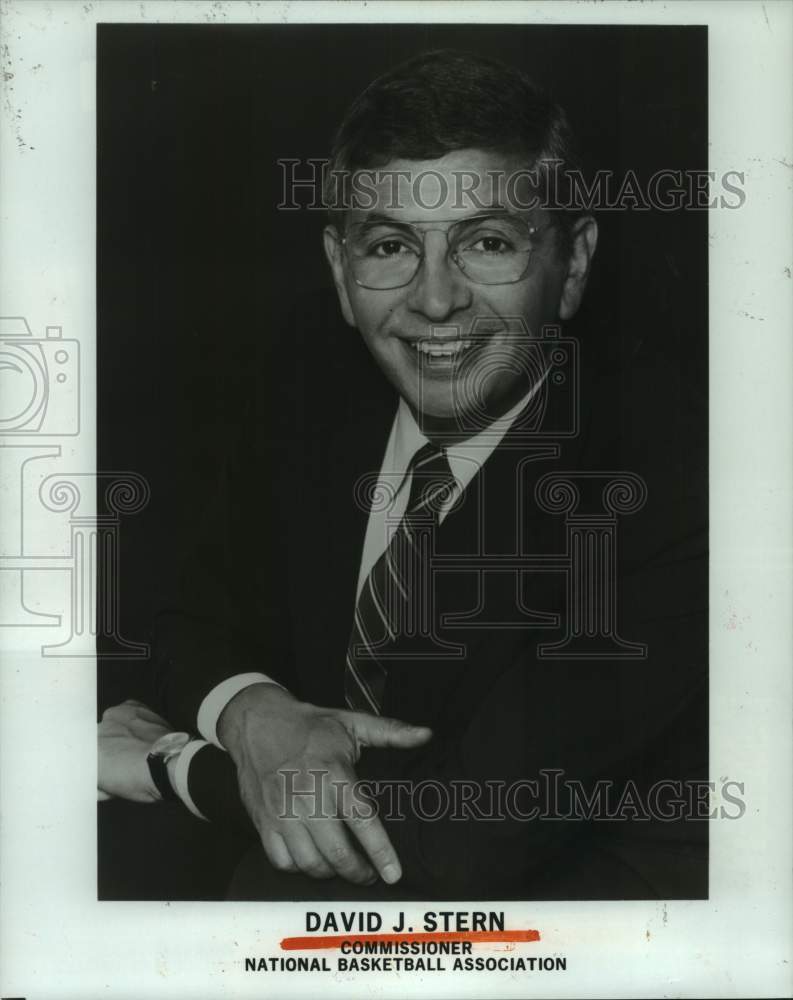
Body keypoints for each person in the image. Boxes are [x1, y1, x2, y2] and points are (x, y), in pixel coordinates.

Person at [99, 49, 707, 900]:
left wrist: (166, 763)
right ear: (340, 273)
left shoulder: (672, 494)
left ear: (570, 265)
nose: (432, 301)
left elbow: (447, 839)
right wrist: (251, 712)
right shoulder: (305, 408)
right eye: (389, 246)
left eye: (486, 243)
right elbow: (188, 613)